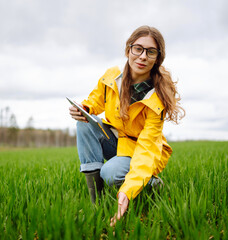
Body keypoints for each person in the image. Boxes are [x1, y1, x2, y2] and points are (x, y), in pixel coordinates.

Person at [69, 25, 184, 226]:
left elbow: (147, 149)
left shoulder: (156, 100)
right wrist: (84, 108)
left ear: (157, 58)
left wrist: (127, 192)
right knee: (85, 123)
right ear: (128, 50)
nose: (142, 56)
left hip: (138, 150)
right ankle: (96, 202)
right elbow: (96, 101)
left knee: (110, 174)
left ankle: (152, 184)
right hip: (116, 140)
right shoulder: (112, 76)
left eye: (151, 52)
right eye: (138, 48)